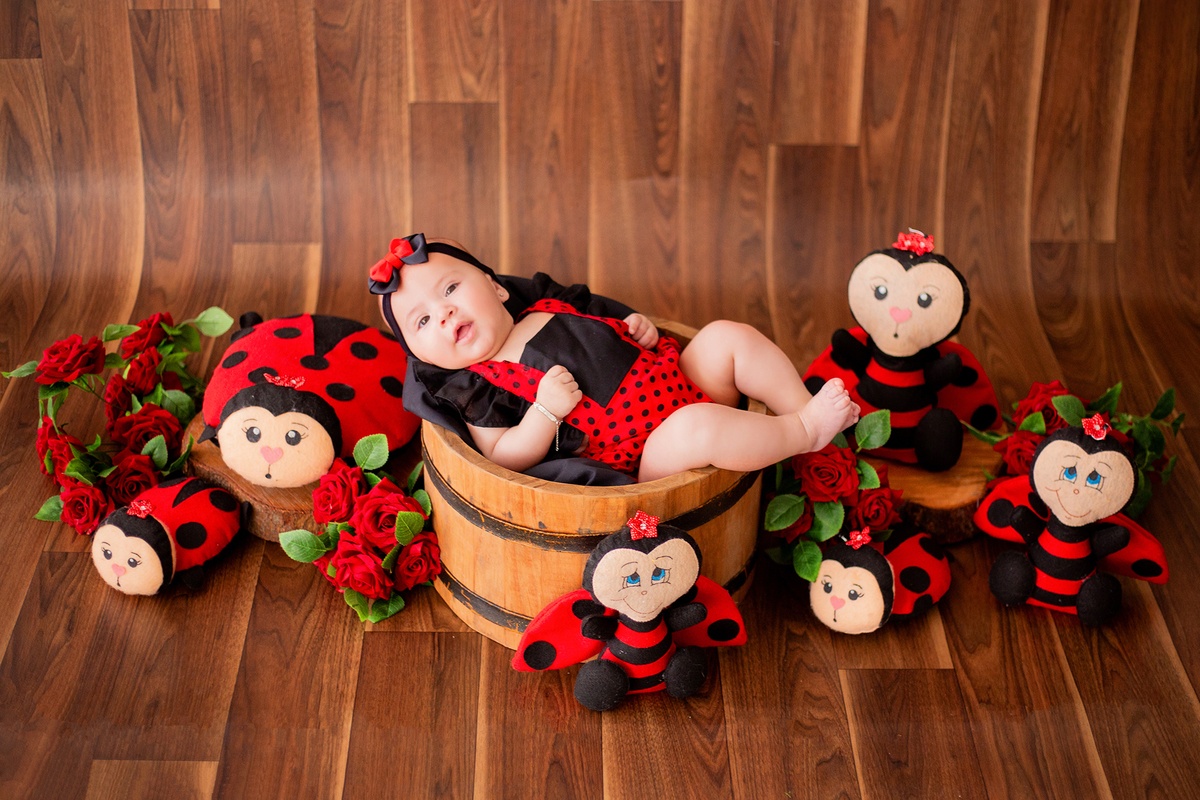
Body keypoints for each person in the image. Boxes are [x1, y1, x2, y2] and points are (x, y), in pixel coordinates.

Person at [370, 234, 860, 483]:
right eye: (422, 320)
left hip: (676, 381)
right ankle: (803, 432)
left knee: (725, 337)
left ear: (497, 288)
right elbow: (502, 456)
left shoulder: (548, 306)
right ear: (418, 354)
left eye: (451, 289)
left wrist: (638, 330)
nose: (444, 312)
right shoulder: (477, 385)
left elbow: (610, 334)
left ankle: (804, 412)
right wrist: (544, 413)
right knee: (698, 426)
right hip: (645, 453)